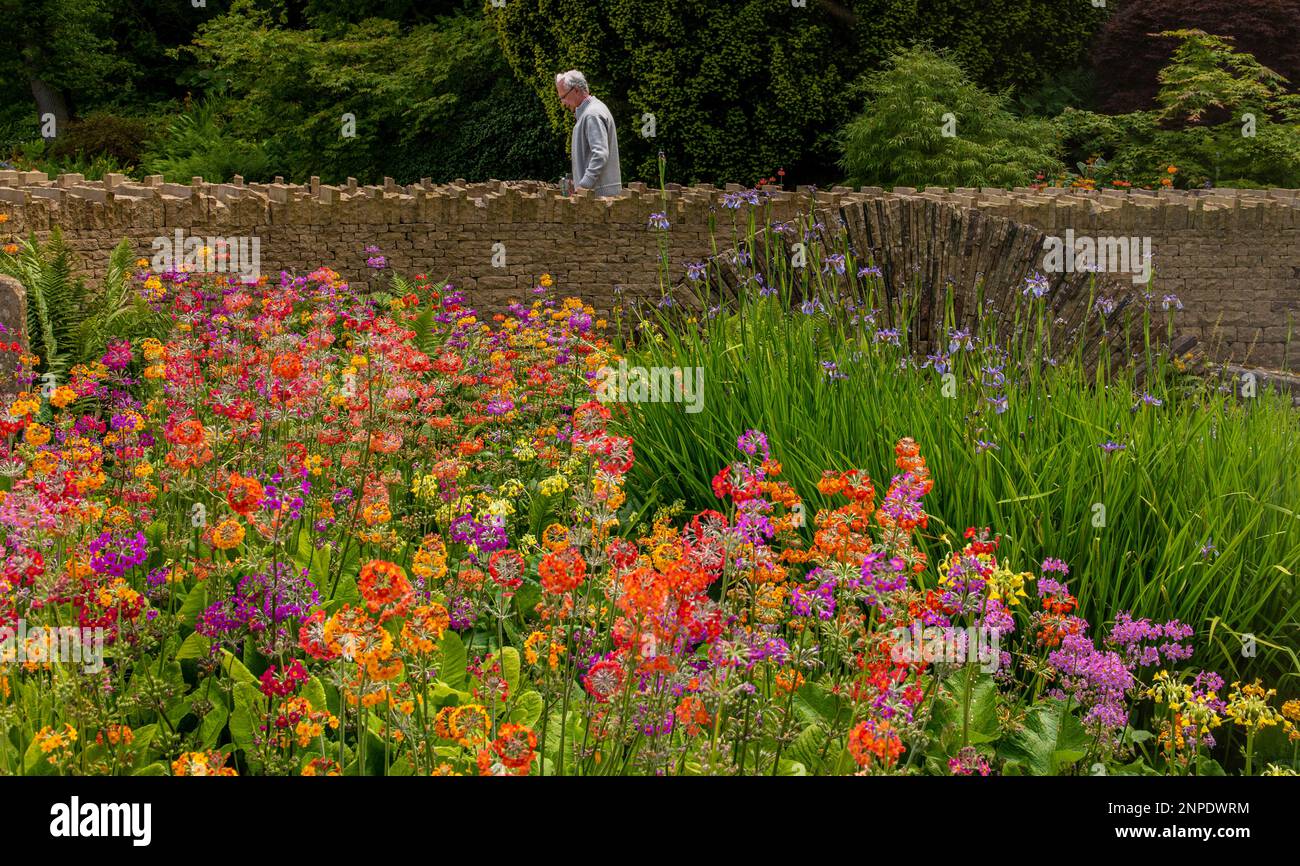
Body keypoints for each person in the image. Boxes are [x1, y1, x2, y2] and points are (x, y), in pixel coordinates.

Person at [555, 70, 622, 197]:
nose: (562, 103)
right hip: (597, 195)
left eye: (563, 97)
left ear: (576, 90)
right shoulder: (589, 113)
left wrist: (583, 185)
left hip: (599, 198)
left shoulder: (592, 114)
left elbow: (600, 154)